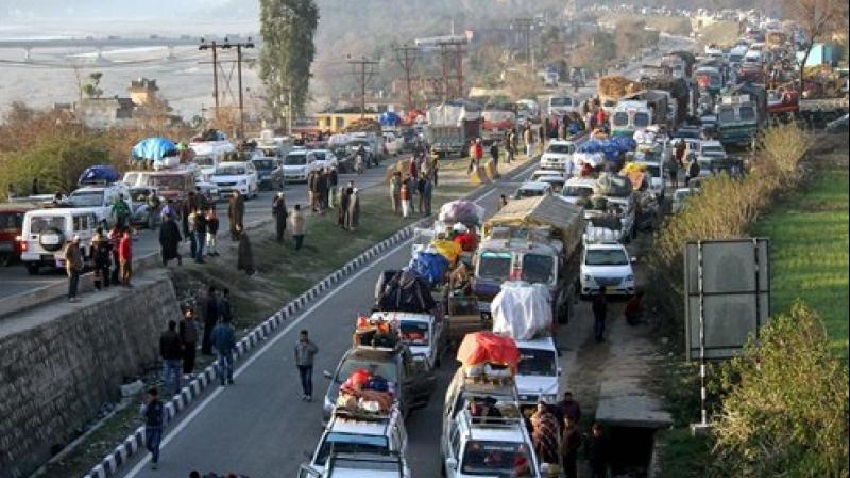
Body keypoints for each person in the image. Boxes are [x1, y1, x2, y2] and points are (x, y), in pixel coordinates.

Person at [139, 387, 164, 470]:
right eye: (149, 396)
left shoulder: (160, 404)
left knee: (156, 445)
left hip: (157, 428)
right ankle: (154, 454)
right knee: (149, 445)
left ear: (155, 396)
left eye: (151, 396)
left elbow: (163, 415)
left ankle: (154, 462)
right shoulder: (147, 405)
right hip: (149, 427)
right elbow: (142, 414)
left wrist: (162, 424)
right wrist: (144, 404)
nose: (149, 398)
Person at [530, 401, 560, 466]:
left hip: (549, 441)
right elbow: (532, 428)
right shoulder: (534, 416)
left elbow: (554, 428)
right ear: (537, 408)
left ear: (545, 407)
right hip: (537, 442)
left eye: (542, 407)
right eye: (539, 407)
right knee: (538, 460)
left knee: (550, 460)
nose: (541, 408)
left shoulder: (551, 416)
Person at [159, 319, 184, 397]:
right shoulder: (176, 335)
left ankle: (167, 392)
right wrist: (181, 357)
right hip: (176, 358)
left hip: (167, 359)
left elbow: (160, 347)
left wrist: (163, 355)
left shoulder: (163, 335)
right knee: (177, 375)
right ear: (174, 326)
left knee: (167, 376)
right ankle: (178, 389)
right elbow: (180, 347)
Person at [294, 330, 319, 401]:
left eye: (304, 336)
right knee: (303, 380)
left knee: (308, 380)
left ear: (307, 336)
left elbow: (316, 350)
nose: (303, 337)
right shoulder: (297, 343)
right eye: (302, 336)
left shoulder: (310, 343)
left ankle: (309, 395)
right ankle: (305, 393)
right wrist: (296, 362)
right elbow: (295, 353)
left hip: (308, 365)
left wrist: (307, 346)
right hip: (301, 365)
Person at [212, 315, 236, 386]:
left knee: (221, 365)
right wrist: (234, 347)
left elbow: (212, 338)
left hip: (219, 348)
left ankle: (222, 379)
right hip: (228, 349)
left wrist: (215, 345)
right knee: (229, 364)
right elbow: (232, 339)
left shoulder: (216, 328)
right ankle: (229, 379)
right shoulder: (230, 329)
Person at [179, 307, 200, 378]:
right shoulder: (183, 323)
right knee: (186, 358)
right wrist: (182, 344)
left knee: (192, 357)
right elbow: (181, 334)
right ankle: (186, 372)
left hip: (192, 342)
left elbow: (196, 332)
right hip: (186, 343)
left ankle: (190, 371)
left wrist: (196, 340)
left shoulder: (193, 322)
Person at [63, 235, 84, 303]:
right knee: (72, 282)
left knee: (76, 282)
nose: (78, 242)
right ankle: (70, 297)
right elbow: (66, 255)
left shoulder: (78, 247)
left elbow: (79, 256)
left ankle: (74, 296)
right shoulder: (70, 246)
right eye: (77, 240)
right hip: (71, 267)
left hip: (77, 267)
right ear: (74, 240)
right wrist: (72, 261)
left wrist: (81, 264)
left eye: (79, 240)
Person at [200, 286, 220, 356]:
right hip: (211, 320)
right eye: (214, 292)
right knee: (210, 335)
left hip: (207, 320)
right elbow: (215, 309)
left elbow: (203, 310)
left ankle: (204, 349)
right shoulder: (211, 299)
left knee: (206, 335)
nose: (215, 293)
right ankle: (208, 350)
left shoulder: (205, 299)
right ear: (212, 292)